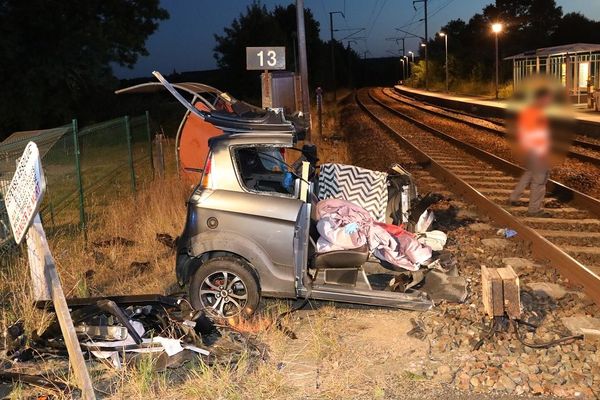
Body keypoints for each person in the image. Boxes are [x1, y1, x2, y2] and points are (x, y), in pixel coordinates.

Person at [508, 87, 553, 217]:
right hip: (537, 152)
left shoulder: (529, 111)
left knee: (528, 174)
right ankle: (534, 209)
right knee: (539, 182)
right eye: (548, 99)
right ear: (542, 98)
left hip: (529, 150)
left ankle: (514, 197)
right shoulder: (537, 114)